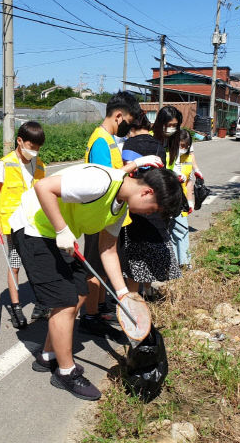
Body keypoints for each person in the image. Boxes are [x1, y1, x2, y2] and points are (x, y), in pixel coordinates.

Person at [9, 158, 181, 400]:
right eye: (153, 209)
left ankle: (47, 355)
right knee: (65, 302)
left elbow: (108, 248)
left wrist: (122, 294)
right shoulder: (100, 181)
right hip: (33, 228)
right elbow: (43, 187)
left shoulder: (120, 206)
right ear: (146, 192)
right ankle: (66, 373)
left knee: (80, 292)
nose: (149, 214)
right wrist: (61, 229)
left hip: (56, 235)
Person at [81, 91, 143, 339]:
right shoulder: (101, 142)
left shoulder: (107, 140)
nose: (129, 127)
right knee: (95, 268)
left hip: (107, 217)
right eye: (129, 120)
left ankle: (98, 308)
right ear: (119, 116)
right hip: (99, 217)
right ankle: (90, 316)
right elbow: (106, 182)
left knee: (102, 265)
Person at [0, 121, 48, 329]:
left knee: (39, 263)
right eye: (32, 147)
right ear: (20, 141)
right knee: (15, 264)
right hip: (14, 224)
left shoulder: (39, 164)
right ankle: (15, 308)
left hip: (36, 222)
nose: (34, 152)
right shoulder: (6, 163)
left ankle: (42, 303)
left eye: (38, 149)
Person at [120, 118, 182, 296]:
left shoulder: (128, 144)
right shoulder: (159, 146)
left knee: (135, 257)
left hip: (136, 203)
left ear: (132, 128)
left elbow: (126, 172)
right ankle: (147, 290)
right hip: (156, 202)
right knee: (150, 248)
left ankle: (133, 296)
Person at [166, 129, 202, 268]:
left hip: (182, 200)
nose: (183, 149)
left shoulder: (188, 158)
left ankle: (183, 262)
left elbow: (188, 182)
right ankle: (180, 262)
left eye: (186, 146)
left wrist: (191, 201)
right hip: (170, 199)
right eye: (181, 145)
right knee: (175, 231)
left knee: (180, 230)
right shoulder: (168, 156)